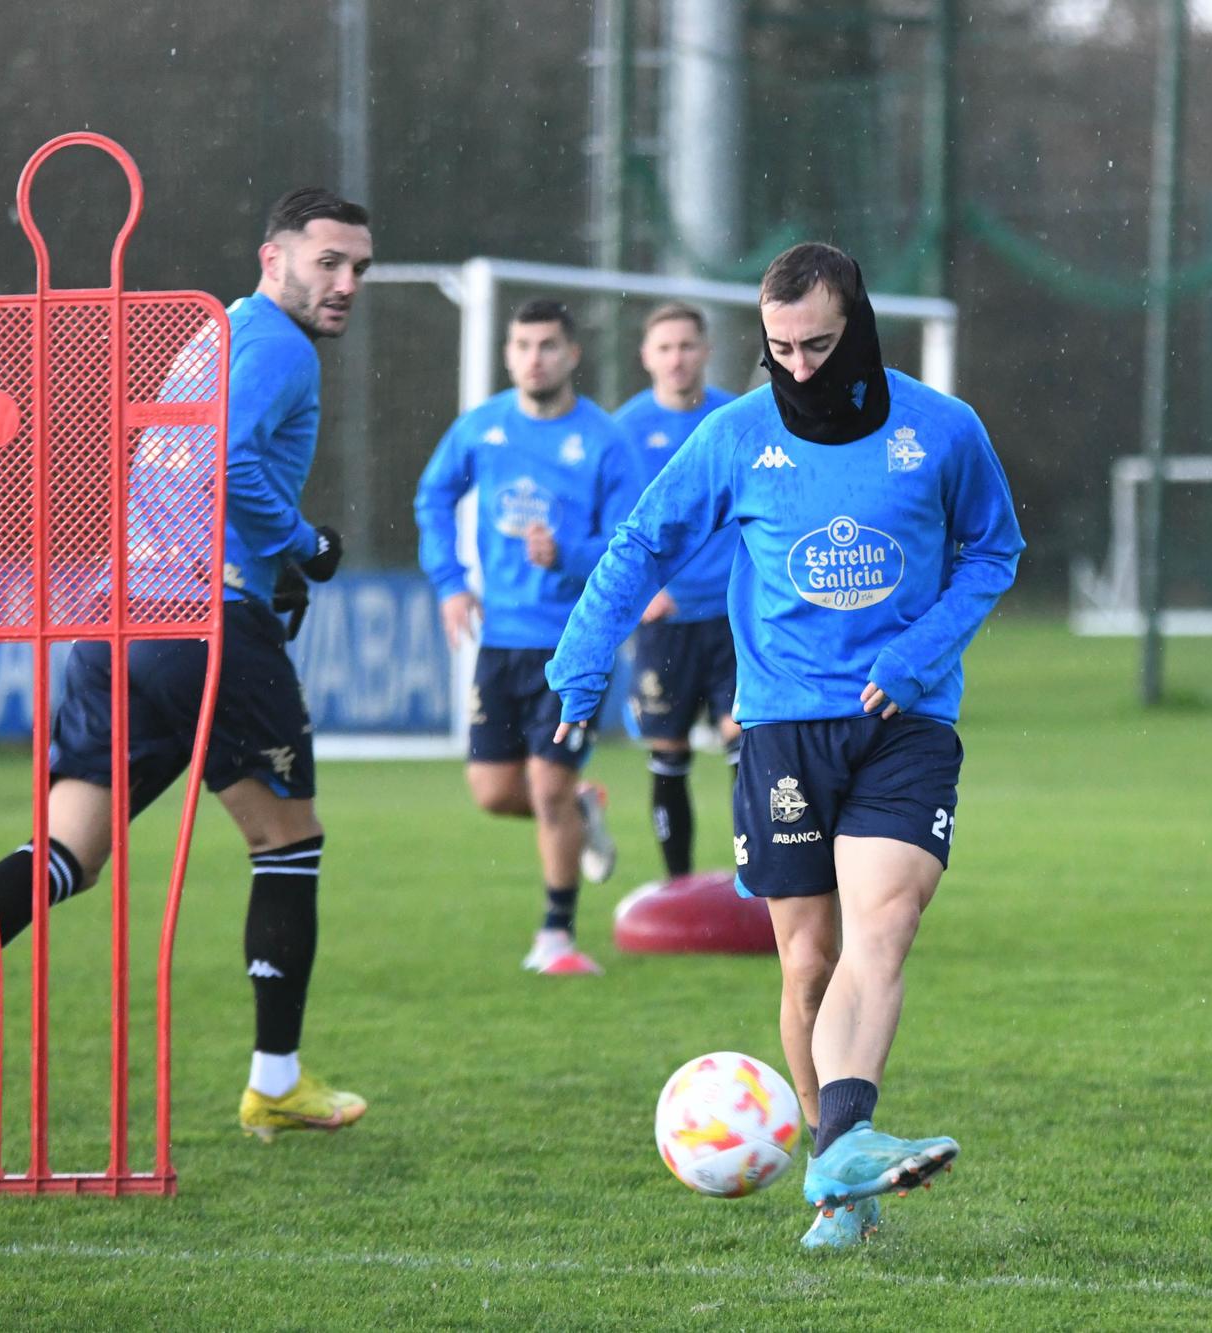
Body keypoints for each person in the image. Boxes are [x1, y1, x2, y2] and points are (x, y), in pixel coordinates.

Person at [0, 187, 376, 1144]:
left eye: (359, 268)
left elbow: (181, 461)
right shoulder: (277, 345)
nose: (346, 283)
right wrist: (307, 547)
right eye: (329, 262)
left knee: (69, 851)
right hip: (205, 624)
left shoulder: (210, 336)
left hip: (115, 619)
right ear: (272, 260)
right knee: (288, 842)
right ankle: (276, 1079)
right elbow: (227, 463)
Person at [548, 243, 1023, 1248]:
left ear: (856, 326)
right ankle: (836, 1176)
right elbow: (642, 541)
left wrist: (917, 650)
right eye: (778, 350)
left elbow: (993, 547)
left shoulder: (942, 430)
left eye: (815, 344)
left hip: (906, 720)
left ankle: (842, 1146)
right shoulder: (737, 435)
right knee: (806, 960)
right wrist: (581, 663)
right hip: (778, 726)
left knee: (881, 925)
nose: (799, 367)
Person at [413, 299, 642, 974]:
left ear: (572, 355)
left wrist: (567, 553)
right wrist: (451, 582)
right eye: (521, 345)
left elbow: (631, 546)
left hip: (574, 642)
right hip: (502, 638)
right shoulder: (482, 429)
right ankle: (580, 807)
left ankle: (557, 936)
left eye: (547, 345)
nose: (532, 357)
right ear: (508, 354)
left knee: (543, 784)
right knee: (492, 790)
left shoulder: (603, 442)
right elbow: (431, 496)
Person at [613, 302, 740, 881]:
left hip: (735, 615)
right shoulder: (625, 432)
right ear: (646, 356)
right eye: (665, 347)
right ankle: (677, 884)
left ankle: (760, 879)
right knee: (668, 753)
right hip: (664, 620)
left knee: (748, 744)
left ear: (706, 351)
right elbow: (606, 523)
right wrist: (639, 592)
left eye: (687, 346)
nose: (677, 358)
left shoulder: (734, 421)